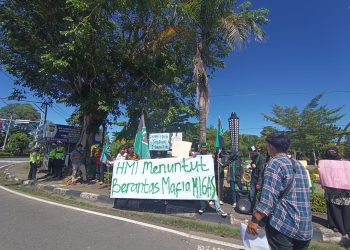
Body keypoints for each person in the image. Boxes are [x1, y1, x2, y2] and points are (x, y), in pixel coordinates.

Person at [247, 132, 313, 250]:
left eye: (267, 145)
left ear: (271, 146)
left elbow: (268, 200)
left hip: (284, 224)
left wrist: (255, 220)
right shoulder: (297, 164)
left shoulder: (274, 163)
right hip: (305, 226)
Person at [195, 143, 228, 218]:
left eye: (205, 147)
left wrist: (214, 157)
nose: (203, 148)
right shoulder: (197, 155)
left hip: (209, 178)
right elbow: (191, 155)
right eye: (202, 147)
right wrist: (192, 155)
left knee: (213, 193)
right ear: (200, 148)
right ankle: (203, 207)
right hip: (200, 178)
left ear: (206, 148)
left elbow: (217, 161)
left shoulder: (210, 155)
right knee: (201, 193)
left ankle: (218, 209)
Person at [323, 146, 350, 237]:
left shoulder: (325, 162)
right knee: (346, 208)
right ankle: (346, 228)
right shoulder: (344, 162)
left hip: (333, 191)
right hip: (345, 191)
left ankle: (336, 226)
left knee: (333, 208)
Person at [248, 145, 266, 212]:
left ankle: (256, 211)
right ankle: (252, 209)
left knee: (258, 197)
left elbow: (261, 172)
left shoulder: (262, 158)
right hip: (253, 179)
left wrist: (259, 183)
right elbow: (253, 164)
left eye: (252, 152)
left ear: (255, 151)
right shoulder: (254, 157)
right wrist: (252, 164)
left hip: (258, 180)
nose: (251, 153)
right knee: (252, 195)